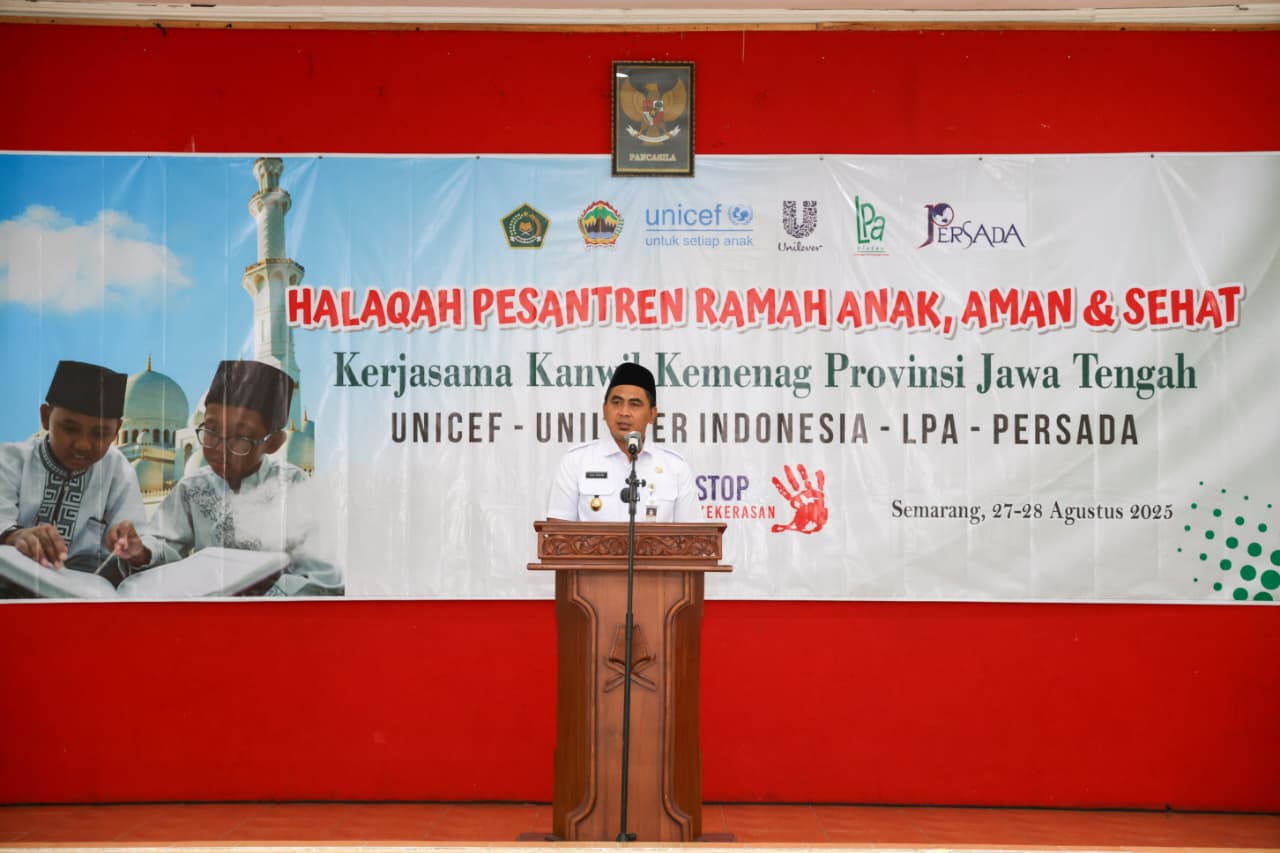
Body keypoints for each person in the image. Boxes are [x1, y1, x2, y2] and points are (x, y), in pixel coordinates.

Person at [131, 359, 343, 596]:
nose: (219, 448)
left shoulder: (294, 485)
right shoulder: (192, 487)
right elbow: (164, 543)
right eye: (211, 431)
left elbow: (325, 574)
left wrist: (265, 599)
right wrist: (142, 552)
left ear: (273, 443)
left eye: (240, 437)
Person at [0, 360, 147, 575]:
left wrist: (135, 549)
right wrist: (15, 536)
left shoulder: (118, 471)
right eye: (70, 428)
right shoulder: (10, 460)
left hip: (82, 590)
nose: (83, 445)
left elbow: (141, 538)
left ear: (116, 431)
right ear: (45, 417)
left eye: (100, 434)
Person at [547, 361, 698, 522]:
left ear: (652, 414)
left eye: (634, 404)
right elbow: (557, 532)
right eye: (616, 403)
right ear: (604, 409)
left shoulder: (676, 468)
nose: (624, 412)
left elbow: (692, 534)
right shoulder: (576, 461)